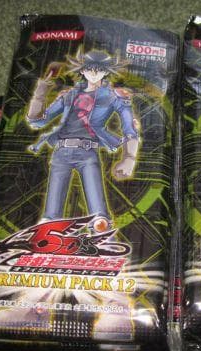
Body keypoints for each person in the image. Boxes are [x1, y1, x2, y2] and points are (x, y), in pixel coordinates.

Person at [26, 49, 139, 233]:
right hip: (61, 153)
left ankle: (101, 230)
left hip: (87, 153)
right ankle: (49, 232)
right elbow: (38, 121)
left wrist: (129, 158)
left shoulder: (113, 97)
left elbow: (129, 129)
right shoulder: (69, 95)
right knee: (50, 216)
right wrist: (40, 93)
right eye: (89, 69)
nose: (94, 73)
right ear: (82, 70)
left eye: (99, 69)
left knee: (99, 215)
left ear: (106, 72)